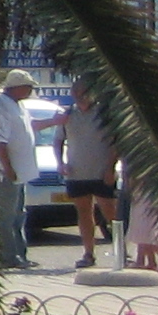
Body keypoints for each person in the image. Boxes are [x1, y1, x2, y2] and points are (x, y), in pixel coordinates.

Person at [0, 71, 40, 270]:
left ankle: (20, 255)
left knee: (18, 216)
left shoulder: (18, 106)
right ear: (16, 87)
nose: (30, 90)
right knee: (6, 217)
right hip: (6, 173)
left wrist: (54, 122)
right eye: (28, 86)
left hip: (20, 172)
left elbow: (28, 127)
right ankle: (7, 256)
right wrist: (7, 168)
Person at [64, 87, 118, 269]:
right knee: (84, 213)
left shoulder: (104, 114)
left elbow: (116, 143)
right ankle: (88, 253)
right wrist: (61, 162)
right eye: (76, 93)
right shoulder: (68, 114)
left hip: (101, 172)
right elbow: (58, 140)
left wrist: (110, 168)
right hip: (77, 172)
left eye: (84, 93)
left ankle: (122, 251)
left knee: (110, 213)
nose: (80, 97)